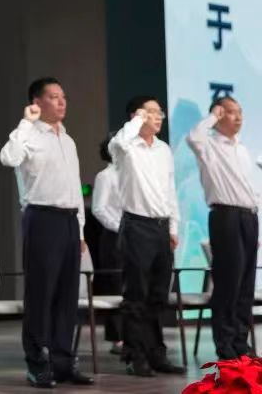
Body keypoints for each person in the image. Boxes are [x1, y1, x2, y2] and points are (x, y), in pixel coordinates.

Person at [0, 77, 92, 388]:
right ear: (37, 102)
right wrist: (26, 123)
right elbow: (8, 158)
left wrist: (80, 230)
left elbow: (75, 188)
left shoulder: (68, 140)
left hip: (69, 220)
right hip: (42, 218)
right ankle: (37, 363)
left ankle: (63, 362)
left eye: (63, 96)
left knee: (67, 296)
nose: (61, 101)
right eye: (53, 96)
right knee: (41, 294)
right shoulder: (28, 135)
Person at [109, 96, 185, 376]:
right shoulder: (125, 146)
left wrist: (173, 227)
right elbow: (118, 142)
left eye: (159, 112)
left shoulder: (164, 149)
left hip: (161, 227)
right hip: (137, 226)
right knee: (136, 295)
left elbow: (170, 190)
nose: (159, 116)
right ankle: (135, 355)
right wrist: (137, 121)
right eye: (152, 112)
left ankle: (156, 353)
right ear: (136, 115)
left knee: (158, 295)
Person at [186, 97, 259, 360]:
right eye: (230, 112)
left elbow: (251, 186)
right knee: (229, 282)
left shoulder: (242, 149)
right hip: (225, 216)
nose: (238, 117)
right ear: (218, 115)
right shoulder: (209, 145)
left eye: (240, 112)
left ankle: (241, 341)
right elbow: (193, 136)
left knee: (246, 285)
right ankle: (225, 343)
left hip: (248, 217)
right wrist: (212, 117)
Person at [90, 135, 124, 355]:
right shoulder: (105, 176)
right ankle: (117, 338)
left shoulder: (131, 173)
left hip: (133, 235)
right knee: (116, 286)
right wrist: (120, 227)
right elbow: (99, 209)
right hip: (113, 236)